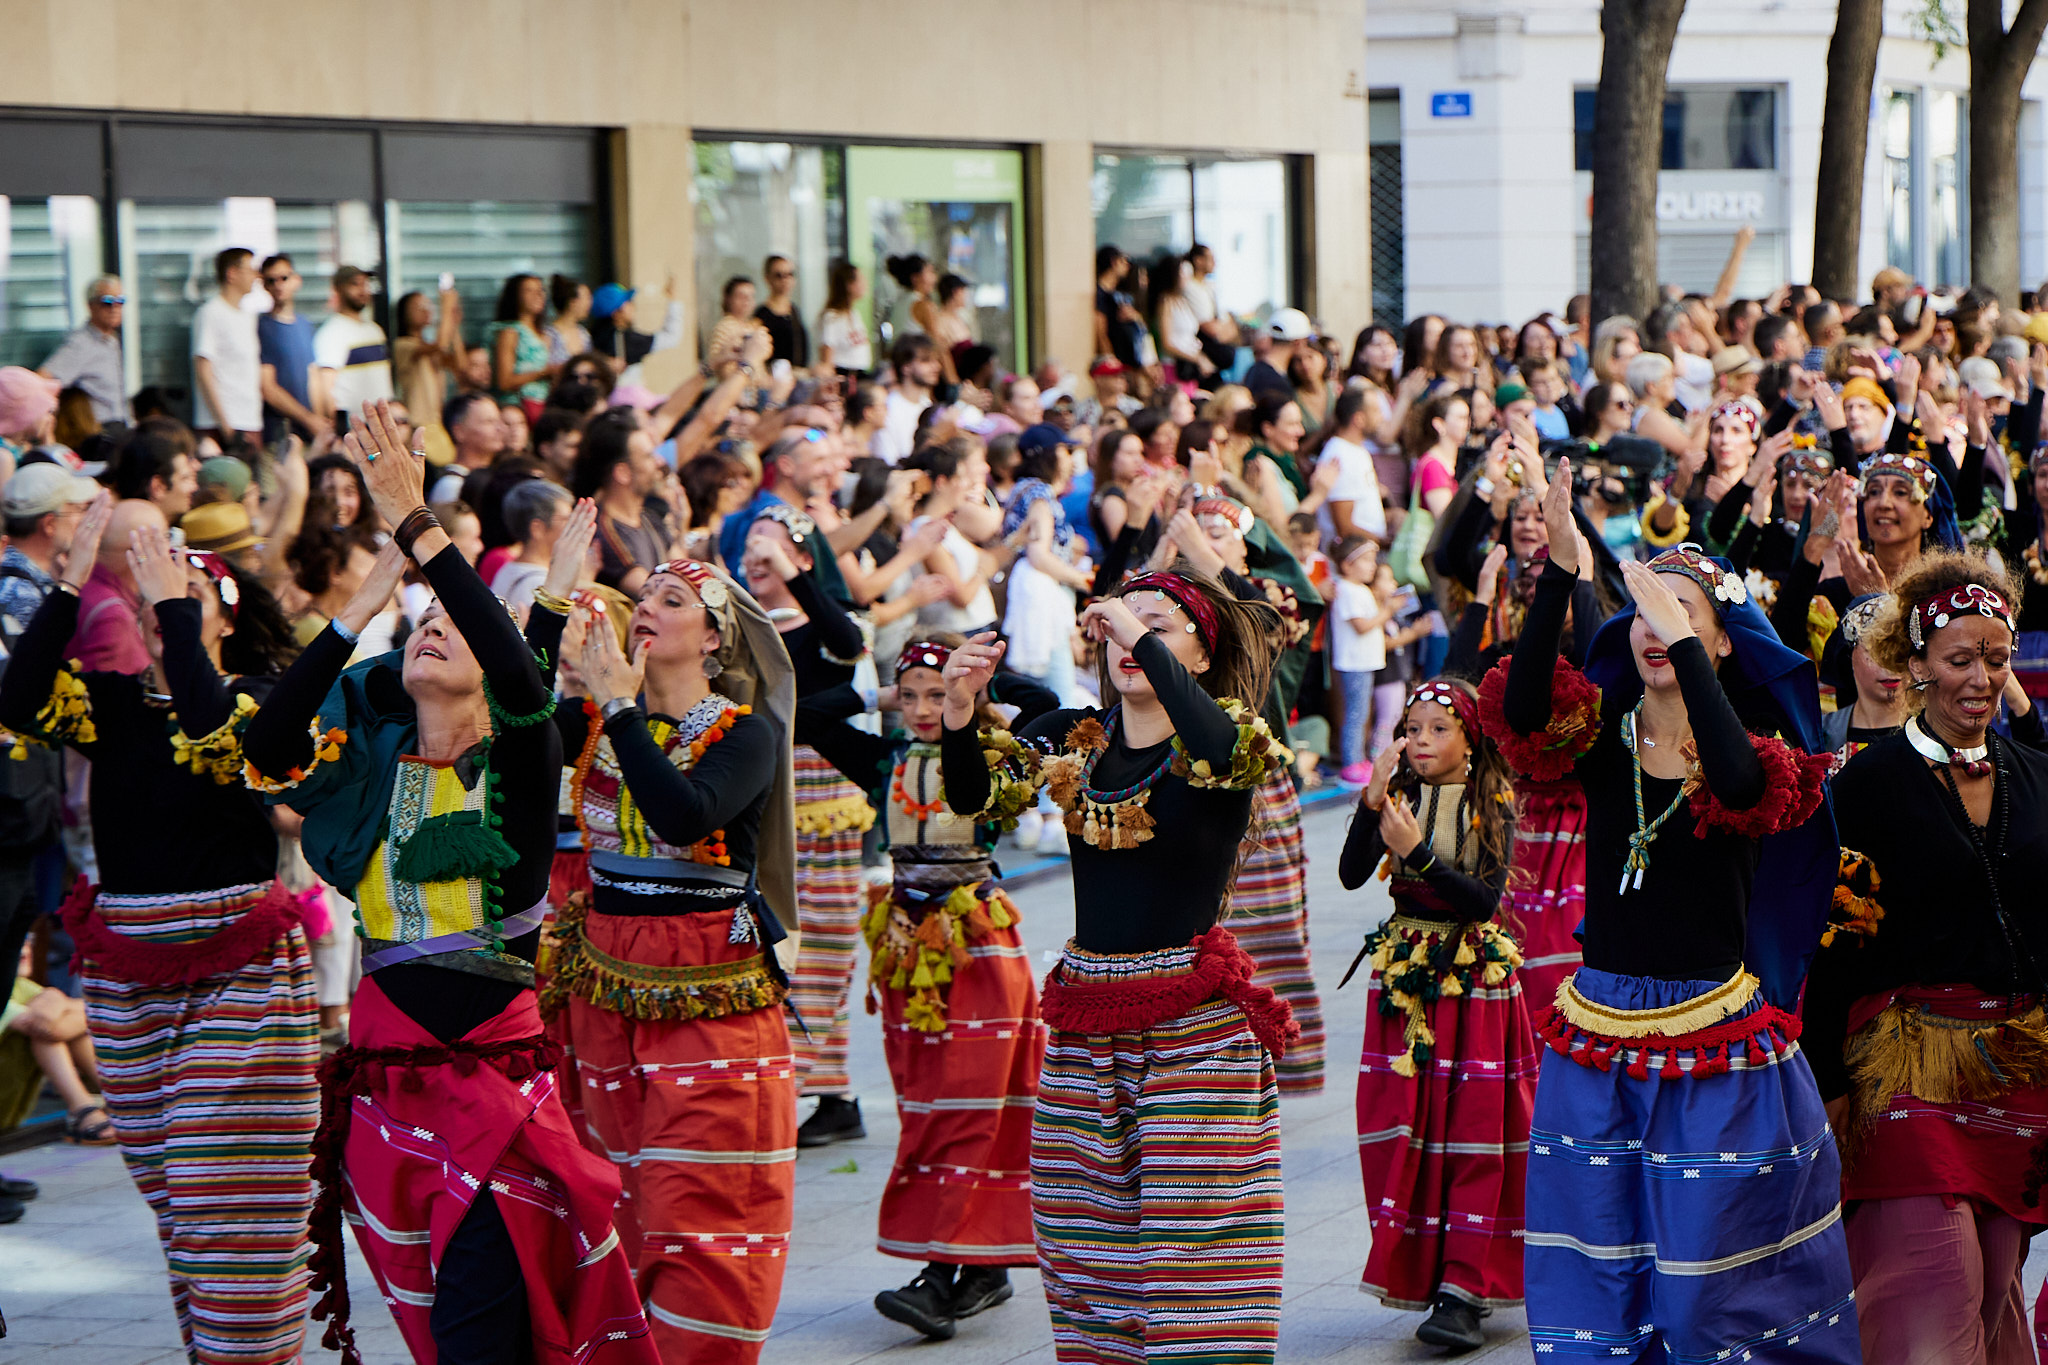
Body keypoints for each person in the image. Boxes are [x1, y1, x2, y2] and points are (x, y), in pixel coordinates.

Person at [240, 404, 653, 1364]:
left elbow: (522, 679)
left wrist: (416, 518)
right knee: (442, 1326)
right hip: (385, 1081)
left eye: (453, 623)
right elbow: (267, 745)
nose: (433, 626)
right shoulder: (374, 778)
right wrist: (362, 602)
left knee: (480, 1325)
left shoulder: (515, 766)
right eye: (420, 619)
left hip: (488, 1085)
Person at [1492, 465, 1857, 1362]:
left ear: (1724, 643)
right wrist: (1560, 570)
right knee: (1598, 1277)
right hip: (1595, 1037)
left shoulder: (1756, 753)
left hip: (1713, 1048)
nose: (1657, 627)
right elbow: (1525, 705)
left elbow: (1733, 781)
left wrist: (1687, 639)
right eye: (1647, 610)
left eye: (1681, 612)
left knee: (1702, 1295)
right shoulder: (1603, 728)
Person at [939, 570, 1296, 1363]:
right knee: (1084, 1244)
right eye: (1124, 626)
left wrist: (1131, 630)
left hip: (1196, 1032)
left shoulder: (1225, 739)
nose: (1132, 639)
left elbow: (1220, 746)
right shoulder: (1076, 734)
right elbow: (973, 798)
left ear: (1200, 656)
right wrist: (960, 714)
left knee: (1191, 1258)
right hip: (1085, 1024)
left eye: (1159, 627)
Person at [0, 496, 314, 1364]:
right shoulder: (108, 704)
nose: (157, 606)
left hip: (237, 972)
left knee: (230, 1189)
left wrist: (177, 609)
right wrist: (67, 584)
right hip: (128, 970)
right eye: (148, 600)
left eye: (179, 597)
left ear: (221, 613)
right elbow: (19, 693)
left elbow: (212, 726)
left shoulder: (256, 703)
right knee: (175, 1192)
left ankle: (249, 1351)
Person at [541, 554, 800, 1362]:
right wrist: (550, 599)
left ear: (715, 636)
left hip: (708, 1000)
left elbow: (685, 816)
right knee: (608, 1201)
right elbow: (510, 716)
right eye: (643, 596)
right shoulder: (592, 727)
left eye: (672, 598)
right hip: (602, 992)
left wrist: (618, 701)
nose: (647, 607)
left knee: (699, 1210)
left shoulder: (745, 734)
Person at [1805, 554, 2048, 1364]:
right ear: (1915, 667)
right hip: (1902, 1069)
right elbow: (1835, 943)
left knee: (1994, 1287)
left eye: (1995, 657)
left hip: (2019, 1070)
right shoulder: (1863, 787)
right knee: (1932, 1292)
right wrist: (1831, 1084)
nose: (1981, 677)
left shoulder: (2037, 777)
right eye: (1959, 659)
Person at [798, 635, 1056, 1340]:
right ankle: (983, 1268)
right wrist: (880, 694)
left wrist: (972, 692)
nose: (919, 709)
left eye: (932, 695)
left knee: (969, 1110)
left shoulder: (995, 756)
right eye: (906, 695)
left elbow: (1045, 705)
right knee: (925, 1107)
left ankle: (943, 1272)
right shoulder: (887, 758)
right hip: (907, 948)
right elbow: (807, 719)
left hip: (977, 939)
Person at [1338, 676, 1534, 1350]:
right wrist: (1370, 808)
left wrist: (1419, 851)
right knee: (1403, 1126)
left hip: (1470, 978)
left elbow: (1482, 900)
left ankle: (1464, 1284)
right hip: (1405, 975)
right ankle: (1424, 1267)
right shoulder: (1399, 795)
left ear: (1470, 741)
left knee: (1474, 1127)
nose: (1420, 741)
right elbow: (1350, 873)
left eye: (1436, 729)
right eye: (1411, 728)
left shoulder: (1493, 800)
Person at [192, 248, 264, 445]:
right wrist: (226, 427)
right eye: (250, 270)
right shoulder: (211, 313)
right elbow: (203, 371)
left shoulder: (247, 316)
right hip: (222, 426)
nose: (256, 276)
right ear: (231, 273)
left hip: (250, 421)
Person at [256, 255, 329, 444]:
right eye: (271, 280)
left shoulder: (305, 325)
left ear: (296, 280)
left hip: (311, 435)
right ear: (264, 285)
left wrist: (319, 421)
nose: (278, 285)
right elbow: (268, 387)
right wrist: (308, 419)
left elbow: (313, 376)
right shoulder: (262, 327)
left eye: (284, 278)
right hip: (280, 435)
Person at [38, 274, 129, 425]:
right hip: (97, 430)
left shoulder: (111, 340)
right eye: (107, 301)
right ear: (90, 305)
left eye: (120, 301)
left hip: (118, 424)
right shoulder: (81, 343)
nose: (114, 308)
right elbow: (43, 378)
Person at [313, 266, 393, 435]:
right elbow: (327, 384)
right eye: (355, 284)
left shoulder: (375, 330)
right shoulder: (332, 332)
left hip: (383, 423)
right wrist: (337, 428)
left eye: (365, 284)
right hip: (355, 428)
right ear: (338, 289)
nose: (363, 290)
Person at [390, 283, 466, 437]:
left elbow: (461, 366)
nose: (425, 310)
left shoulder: (429, 347)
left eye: (427, 305)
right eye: (418, 306)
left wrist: (454, 325)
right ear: (404, 313)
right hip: (416, 424)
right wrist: (446, 309)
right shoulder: (402, 345)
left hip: (437, 423)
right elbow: (441, 344)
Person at [490, 478, 573, 612]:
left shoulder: (506, 570)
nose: (572, 527)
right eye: (565, 520)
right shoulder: (539, 584)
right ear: (537, 528)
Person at [588, 279, 686, 389]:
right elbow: (671, 337)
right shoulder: (626, 339)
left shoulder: (592, 336)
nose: (632, 306)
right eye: (627, 302)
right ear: (616, 313)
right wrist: (673, 299)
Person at [491, 273, 556, 416]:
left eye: (540, 290)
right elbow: (504, 381)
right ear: (515, 296)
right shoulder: (510, 332)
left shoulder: (545, 334)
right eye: (529, 290)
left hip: (542, 407)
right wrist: (544, 372)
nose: (537, 295)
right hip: (518, 409)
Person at [816, 261, 873, 382]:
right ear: (849, 285)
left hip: (860, 374)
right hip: (844, 375)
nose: (865, 284)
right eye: (860, 280)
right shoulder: (832, 317)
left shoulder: (854, 314)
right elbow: (827, 356)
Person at [754, 254, 810, 369]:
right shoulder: (762, 314)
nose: (785, 280)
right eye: (779, 276)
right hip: (773, 379)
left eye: (789, 275)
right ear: (768, 279)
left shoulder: (794, 310)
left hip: (796, 377)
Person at [543, 274, 593, 368]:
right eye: (587, 297)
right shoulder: (549, 334)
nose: (590, 303)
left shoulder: (584, 334)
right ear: (572, 302)